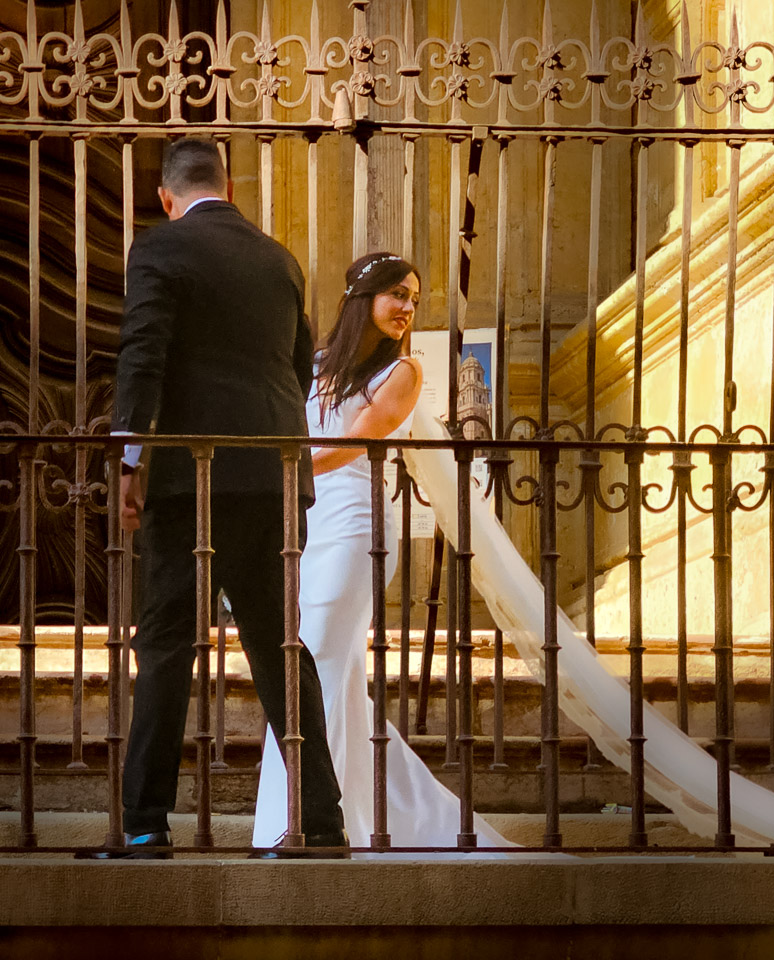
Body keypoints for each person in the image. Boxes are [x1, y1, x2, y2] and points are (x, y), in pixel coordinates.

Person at [109, 138, 345, 858]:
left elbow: (143, 352)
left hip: (190, 478)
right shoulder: (279, 259)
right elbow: (300, 363)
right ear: (231, 186)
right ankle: (322, 821)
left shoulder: (159, 250)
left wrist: (129, 457)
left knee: (167, 644)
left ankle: (147, 823)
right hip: (274, 474)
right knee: (280, 646)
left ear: (165, 197)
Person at [252, 252, 512, 854]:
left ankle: (287, 823)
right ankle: (376, 816)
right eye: (397, 294)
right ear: (361, 295)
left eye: (414, 300)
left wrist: (279, 470)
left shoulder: (403, 374)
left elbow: (350, 443)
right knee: (332, 683)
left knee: (308, 663)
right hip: (309, 530)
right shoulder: (313, 365)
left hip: (357, 530)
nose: (406, 309)